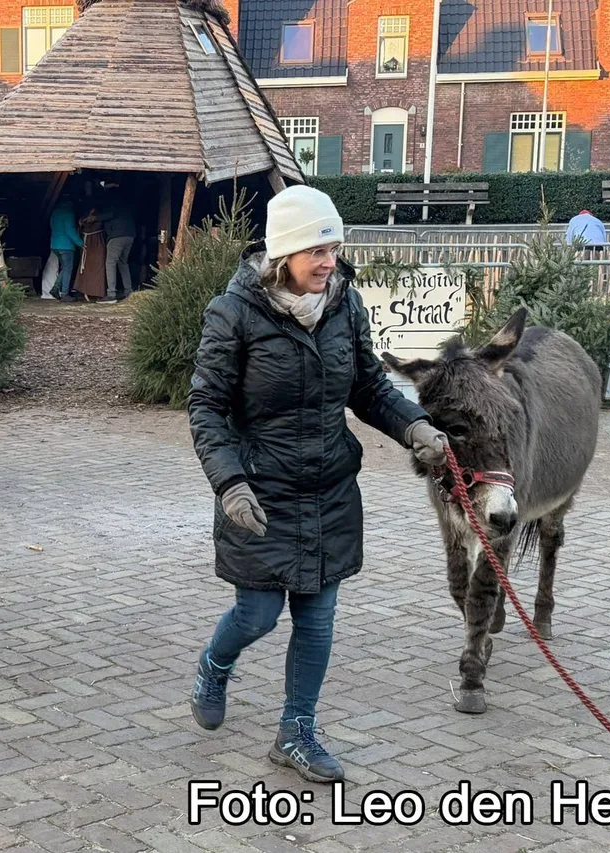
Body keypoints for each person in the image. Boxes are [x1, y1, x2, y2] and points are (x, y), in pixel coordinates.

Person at [187, 185, 448, 783]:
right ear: (284, 254)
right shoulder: (234, 314)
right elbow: (206, 406)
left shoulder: (344, 305)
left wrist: (415, 426)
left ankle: (296, 731)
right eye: (316, 251)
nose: (329, 261)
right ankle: (213, 667)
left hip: (330, 490)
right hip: (260, 492)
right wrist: (229, 483)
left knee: (318, 618)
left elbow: (367, 388)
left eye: (334, 247)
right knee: (256, 616)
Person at [98, 191, 136, 301]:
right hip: (130, 236)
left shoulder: (111, 203)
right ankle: (128, 291)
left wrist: (95, 218)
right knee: (123, 263)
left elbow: (109, 214)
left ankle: (111, 294)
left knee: (110, 263)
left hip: (117, 236)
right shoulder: (124, 205)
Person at [48, 197, 83, 300]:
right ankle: (64, 294)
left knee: (64, 268)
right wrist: (80, 243)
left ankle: (55, 288)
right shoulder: (69, 213)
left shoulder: (55, 213)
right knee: (67, 269)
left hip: (55, 244)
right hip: (66, 245)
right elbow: (70, 231)